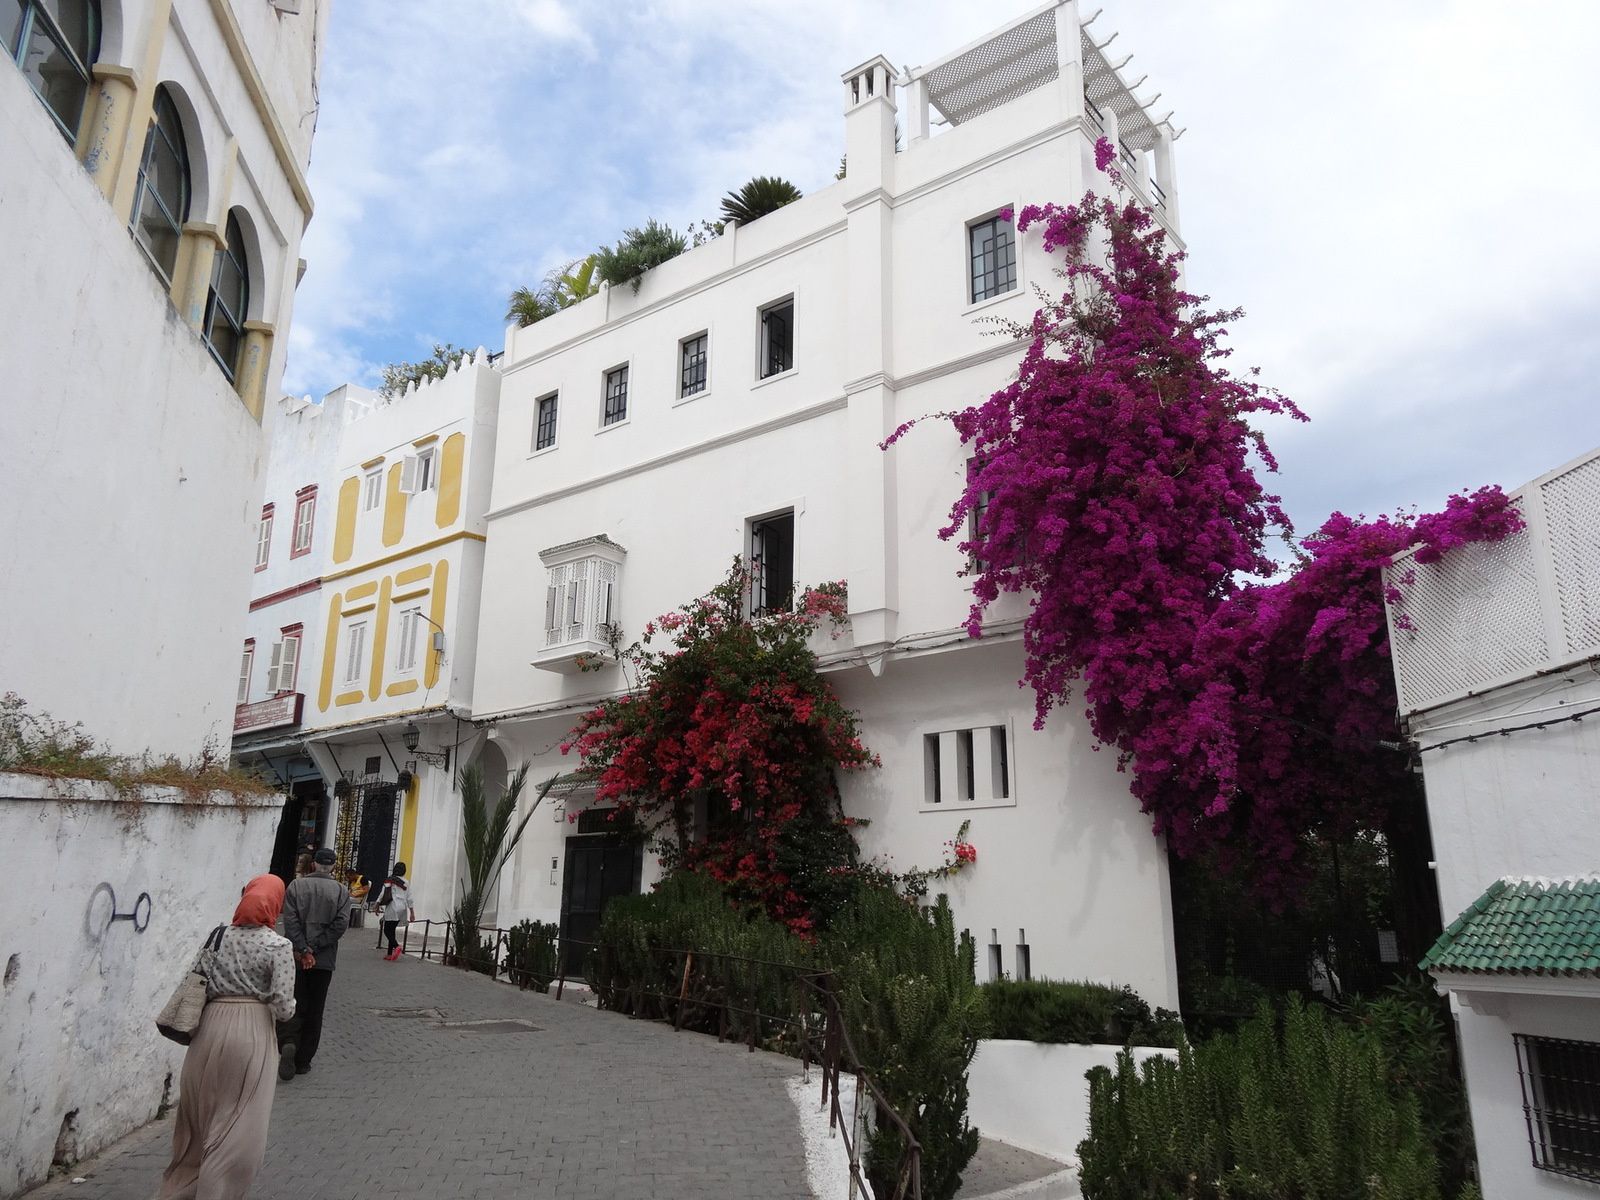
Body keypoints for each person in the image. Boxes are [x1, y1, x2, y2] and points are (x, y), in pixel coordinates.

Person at [159, 874, 295, 1199]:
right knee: (238, 1126)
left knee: (198, 1120)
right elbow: (283, 1004)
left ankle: (178, 1192)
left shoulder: (218, 936)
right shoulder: (278, 945)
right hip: (252, 1033)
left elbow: (197, 978)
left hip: (208, 1029)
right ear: (276, 904)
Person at [277, 846, 349, 1081]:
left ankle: (289, 1042)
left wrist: (303, 948)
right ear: (334, 867)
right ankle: (304, 1060)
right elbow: (340, 925)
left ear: (313, 864)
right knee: (316, 1009)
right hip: (323, 960)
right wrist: (316, 948)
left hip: (297, 958)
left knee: (295, 1001)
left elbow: (290, 920)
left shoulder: (296, 886)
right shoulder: (341, 891)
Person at [370, 862, 413, 962]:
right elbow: (410, 898)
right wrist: (412, 913)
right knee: (392, 930)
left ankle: (397, 946)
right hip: (402, 908)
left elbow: (383, 893)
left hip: (393, 907)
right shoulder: (406, 882)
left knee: (386, 930)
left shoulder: (390, 880)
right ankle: (389, 954)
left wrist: (376, 904)